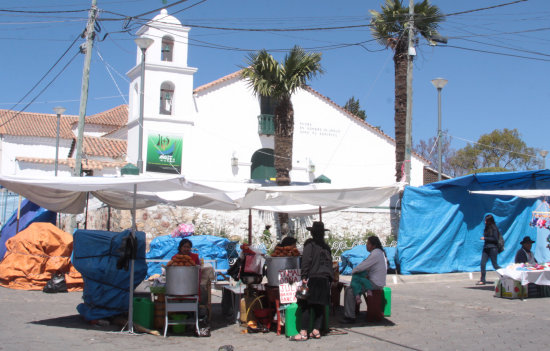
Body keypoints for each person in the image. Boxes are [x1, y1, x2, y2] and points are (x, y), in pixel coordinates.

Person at [290, 221, 333, 341]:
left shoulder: (310, 245)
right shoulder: (326, 247)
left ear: (312, 233)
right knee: (319, 306)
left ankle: (303, 333)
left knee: (306, 306)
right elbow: (329, 264)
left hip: (313, 278)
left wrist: (303, 276)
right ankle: (316, 331)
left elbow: (306, 262)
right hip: (325, 279)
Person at [341, 236, 387, 324]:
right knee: (352, 287)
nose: (366, 245)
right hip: (376, 281)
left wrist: (354, 270)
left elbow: (363, 266)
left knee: (350, 290)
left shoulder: (376, 254)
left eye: (368, 244)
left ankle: (350, 316)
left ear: (373, 245)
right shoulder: (380, 253)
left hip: (375, 283)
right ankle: (354, 310)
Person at [478, 214, 501, 285]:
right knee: (482, 263)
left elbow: (495, 239)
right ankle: (482, 279)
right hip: (486, 248)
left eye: (486, 220)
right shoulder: (486, 228)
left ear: (490, 221)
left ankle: (504, 276)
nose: (485, 222)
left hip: (493, 248)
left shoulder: (494, 228)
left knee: (495, 265)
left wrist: (485, 238)